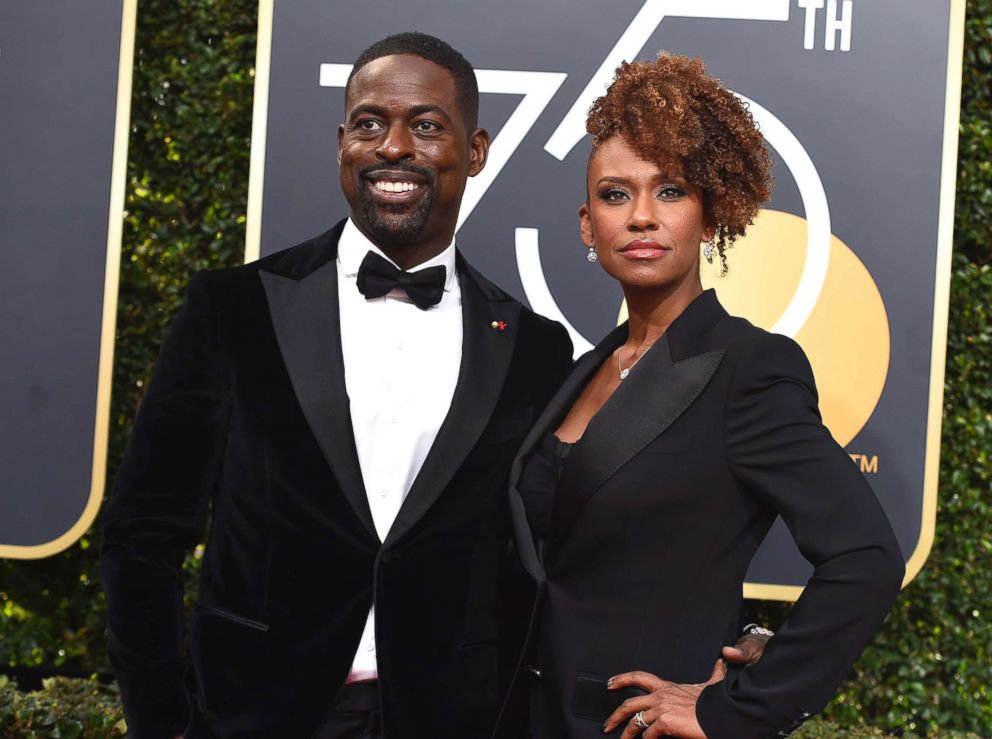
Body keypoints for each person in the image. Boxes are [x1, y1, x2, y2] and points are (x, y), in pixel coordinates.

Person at [99, 32, 576, 739]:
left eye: (426, 125)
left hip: (450, 718)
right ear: (342, 144)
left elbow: (543, 560)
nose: (392, 147)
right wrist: (163, 719)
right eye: (369, 123)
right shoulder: (232, 308)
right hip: (253, 714)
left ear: (474, 151)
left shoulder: (536, 348)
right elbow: (142, 532)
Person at [495, 53, 905, 739]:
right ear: (586, 226)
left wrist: (737, 707)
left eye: (672, 192)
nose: (643, 217)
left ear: (711, 216)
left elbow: (866, 557)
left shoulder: (750, 368)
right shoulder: (582, 367)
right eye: (616, 194)